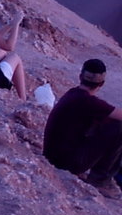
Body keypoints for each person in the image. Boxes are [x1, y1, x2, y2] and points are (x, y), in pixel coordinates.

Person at [43, 59, 122, 199]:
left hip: (54, 155)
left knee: (109, 123)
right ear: (102, 83)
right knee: (119, 128)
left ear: (80, 77)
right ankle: (100, 180)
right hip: (66, 162)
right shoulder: (89, 102)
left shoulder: (73, 94)